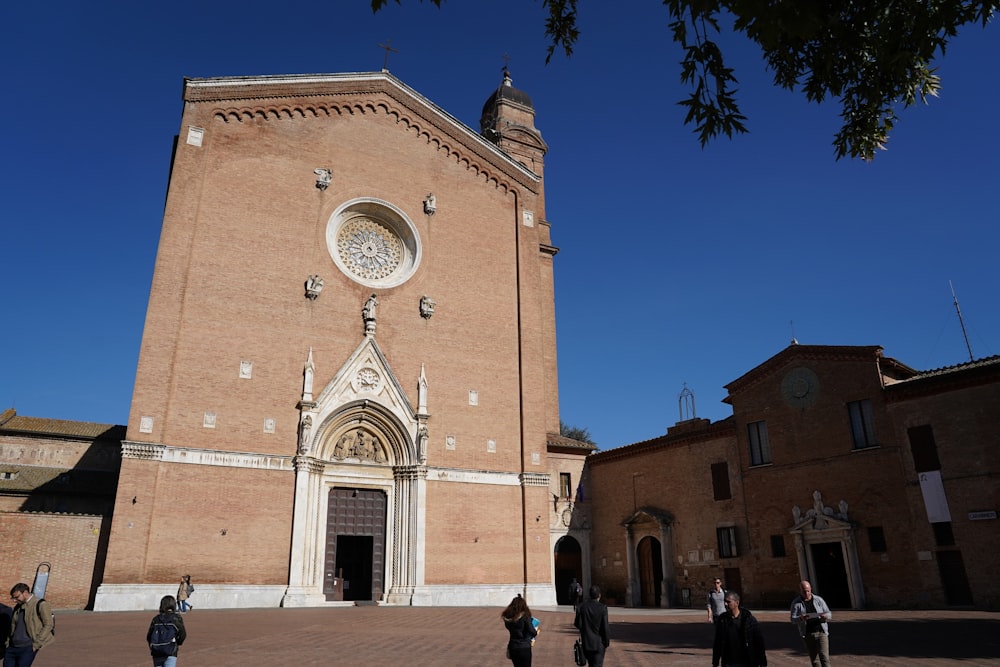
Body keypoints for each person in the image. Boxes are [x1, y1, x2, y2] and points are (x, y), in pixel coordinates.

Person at [5, 583, 54, 667]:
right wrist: (8, 642)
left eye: (16, 597)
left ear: (25, 592)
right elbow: (13, 626)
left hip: (27, 647)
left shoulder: (41, 604)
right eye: (13, 598)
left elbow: (48, 624)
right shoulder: (18, 607)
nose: (14, 600)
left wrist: (36, 644)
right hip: (12, 647)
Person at [712, 591, 767, 667]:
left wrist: (762, 662)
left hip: (746, 662)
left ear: (737, 603)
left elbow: (758, 641)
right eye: (724, 601)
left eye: (728, 602)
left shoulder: (748, 619)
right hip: (729, 662)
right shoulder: (722, 620)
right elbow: (718, 642)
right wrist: (715, 662)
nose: (725, 604)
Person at [790, 580, 832, 667]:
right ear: (800, 591)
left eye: (808, 591)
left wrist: (826, 616)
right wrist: (800, 618)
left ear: (811, 589)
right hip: (808, 633)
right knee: (815, 660)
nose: (806, 593)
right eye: (804, 591)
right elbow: (793, 619)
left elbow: (829, 613)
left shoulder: (818, 600)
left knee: (824, 657)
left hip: (821, 631)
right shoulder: (796, 603)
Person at [574, 585, 610, 667]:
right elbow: (605, 627)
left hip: (586, 643)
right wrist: (606, 641)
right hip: (599, 643)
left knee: (591, 664)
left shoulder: (582, 607)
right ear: (599, 595)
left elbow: (577, 624)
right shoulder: (603, 608)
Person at [146, 595, 186, 667]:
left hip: (157, 651)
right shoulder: (176, 618)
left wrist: (153, 646)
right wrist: (178, 642)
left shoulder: (156, 619)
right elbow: (183, 634)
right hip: (171, 650)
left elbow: (149, 636)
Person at [501, 594, 537, 667]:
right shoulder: (525, 616)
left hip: (513, 645)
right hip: (524, 646)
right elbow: (532, 631)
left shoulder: (508, 618)